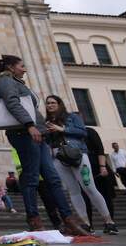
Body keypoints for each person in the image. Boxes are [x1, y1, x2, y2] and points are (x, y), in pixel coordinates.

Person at [0, 55, 88, 235]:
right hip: (24, 133)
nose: (24, 69)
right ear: (11, 67)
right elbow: (12, 103)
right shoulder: (5, 81)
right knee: (32, 177)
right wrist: (29, 125)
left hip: (38, 135)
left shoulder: (15, 81)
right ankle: (33, 219)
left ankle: (68, 220)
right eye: (21, 66)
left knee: (53, 179)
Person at [44, 95, 118, 234]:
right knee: (73, 191)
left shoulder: (72, 117)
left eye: (53, 102)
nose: (50, 105)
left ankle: (109, 221)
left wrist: (62, 129)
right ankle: (85, 224)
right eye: (48, 103)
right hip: (58, 156)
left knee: (89, 187)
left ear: (60, 104)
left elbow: (82, 132)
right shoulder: (47, 121)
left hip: (76, 154)